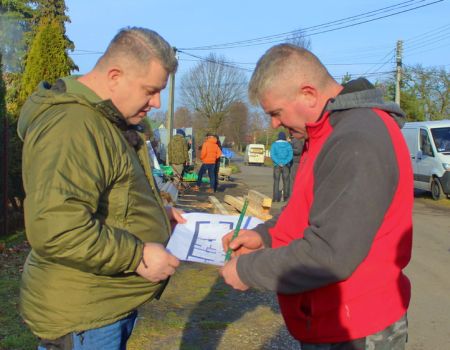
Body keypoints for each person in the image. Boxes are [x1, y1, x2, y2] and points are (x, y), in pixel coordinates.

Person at [221, 44, 413, 349]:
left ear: (308, 94)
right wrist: (265, 236)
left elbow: (330, 254)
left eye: (276, 112)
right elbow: (309, 210)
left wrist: (248, 270)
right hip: (329, 321)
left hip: (356, 329)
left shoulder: (355, 140)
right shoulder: (325, 133)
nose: (273, 123)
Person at [17, 27, 186, 349]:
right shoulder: (72, 126)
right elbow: (57, 229)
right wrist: (137, 255)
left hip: (102, 304)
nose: (156, 102)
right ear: (114, 76)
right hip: (83, 315)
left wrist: (156, 215)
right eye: (150, 90)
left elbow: (108, 196)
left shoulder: (101, 121)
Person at [270, 131, 293, 202]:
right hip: (286, 166)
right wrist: (284, 162)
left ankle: (276, 198)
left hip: (277, 166)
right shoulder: (288, 145)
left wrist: (278, 162)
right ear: (284, 137)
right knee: (286, 181)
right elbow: (290, 156)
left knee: (276, 181)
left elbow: (272, 155)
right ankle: (286, 198)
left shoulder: (274, 145)